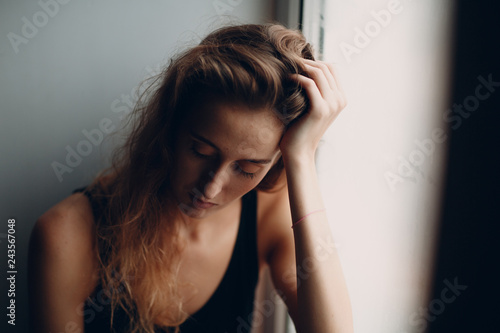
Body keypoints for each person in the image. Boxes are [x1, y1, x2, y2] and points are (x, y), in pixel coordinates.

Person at [28, 23, 353, 333]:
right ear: (169, 126)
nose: (211, 187)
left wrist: (301, 159)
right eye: (200, 151)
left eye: (248, 169)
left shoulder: (267, 213)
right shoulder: (66, 234)